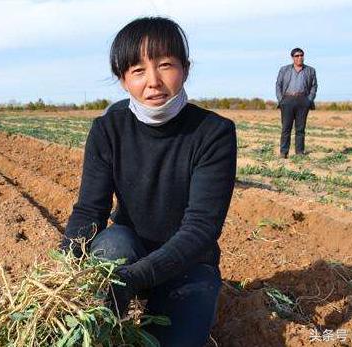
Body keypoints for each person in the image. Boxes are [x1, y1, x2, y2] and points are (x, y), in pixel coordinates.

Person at [60, 16, 237, 347]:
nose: (153, 81)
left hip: (188, 262)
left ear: (185, 68)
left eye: (165, 65)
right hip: (128, 251)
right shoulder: (108, 129)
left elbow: (201, 230)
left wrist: (132, 279)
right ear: (123, 80)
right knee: (113, 247)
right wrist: (62, 275)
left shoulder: (214, 133)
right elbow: (90, 211)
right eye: (138, 70)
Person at [275, 47, 318, 158]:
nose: (299, 57)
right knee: (286, 128)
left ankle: (299, 152)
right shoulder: (284, 69)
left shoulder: (310, 70)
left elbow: (314, 86)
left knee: (300, 129)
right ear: (292, 58)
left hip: (303, 100)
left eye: (301, 55)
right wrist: (281, 100)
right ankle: (283, 152)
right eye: (297, 56)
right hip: (287, 100)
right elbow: (278, 85)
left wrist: (309, 100)